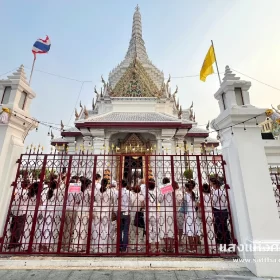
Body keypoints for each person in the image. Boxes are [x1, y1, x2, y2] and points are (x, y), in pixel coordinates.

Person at [8, 178, 30, 250]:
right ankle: (14, 242)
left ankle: (11, 241)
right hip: (22, 211)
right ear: (28, 185)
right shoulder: (27, 193)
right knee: (19, 227)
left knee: (13, 226)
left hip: (15, 210)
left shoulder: (17, 191)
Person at [92, 178, 113, 253]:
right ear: (107, 183)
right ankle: (105, 247)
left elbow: (95, 201)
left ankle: (97, 247)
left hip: (98, 211)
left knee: (97, 229)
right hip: (106, 212)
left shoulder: (97, 192)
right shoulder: (109, 192)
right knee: (105, 229)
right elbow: (112, 202)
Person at [210, 177, 231, 249]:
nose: (212, 186)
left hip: (218, 210)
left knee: (219, 227)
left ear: (215, 184)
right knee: (224, 226)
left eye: (212, 185)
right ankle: (227, 242)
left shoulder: (216, 192)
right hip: (224, 210)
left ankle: (222, 242)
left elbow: (213, 202)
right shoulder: (223, 191)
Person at [181, 182, 198, 252]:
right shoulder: (193, 194)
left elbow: (184, 205)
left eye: (185, 187)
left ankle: (191, 248)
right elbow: (196, 204)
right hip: (194, 212)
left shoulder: (186, 195)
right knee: (195, 229)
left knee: (189, 231)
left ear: (187, 188)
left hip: (188, 213)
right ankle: (195, 248)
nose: (184, 189)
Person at [130, 185, 145, 251]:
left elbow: (130, 205)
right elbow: (144, 206)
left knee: (133, 230)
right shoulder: (142, 197)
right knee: (140, 230)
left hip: (133, 213)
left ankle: (132, 245)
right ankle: (139, 246)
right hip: (139, 213)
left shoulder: (132, 196)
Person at [119, 180, 132, 253]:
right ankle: (124, 247)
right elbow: (131, 201)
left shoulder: (118, 192)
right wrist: (129, 208)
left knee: (120, 230)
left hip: (120, 211)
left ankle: (120, 245)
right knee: (126, 230)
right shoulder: (129, 192)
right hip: (126, 211)